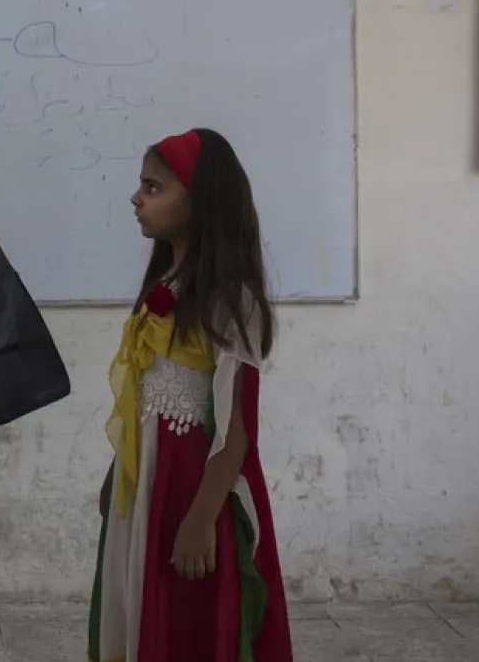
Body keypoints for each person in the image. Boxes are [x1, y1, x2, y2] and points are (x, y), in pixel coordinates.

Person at [88, 128, 293, 662]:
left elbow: (237, 429)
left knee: (190, 624)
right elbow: (144, 397)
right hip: (147, 484)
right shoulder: (163, 290)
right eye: (141, 186)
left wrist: (203, 517)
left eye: (153, 188)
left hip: (192, 488)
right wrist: (117, 476)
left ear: (200, 202)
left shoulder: (231, 301)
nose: (137, 198)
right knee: (138, 608)